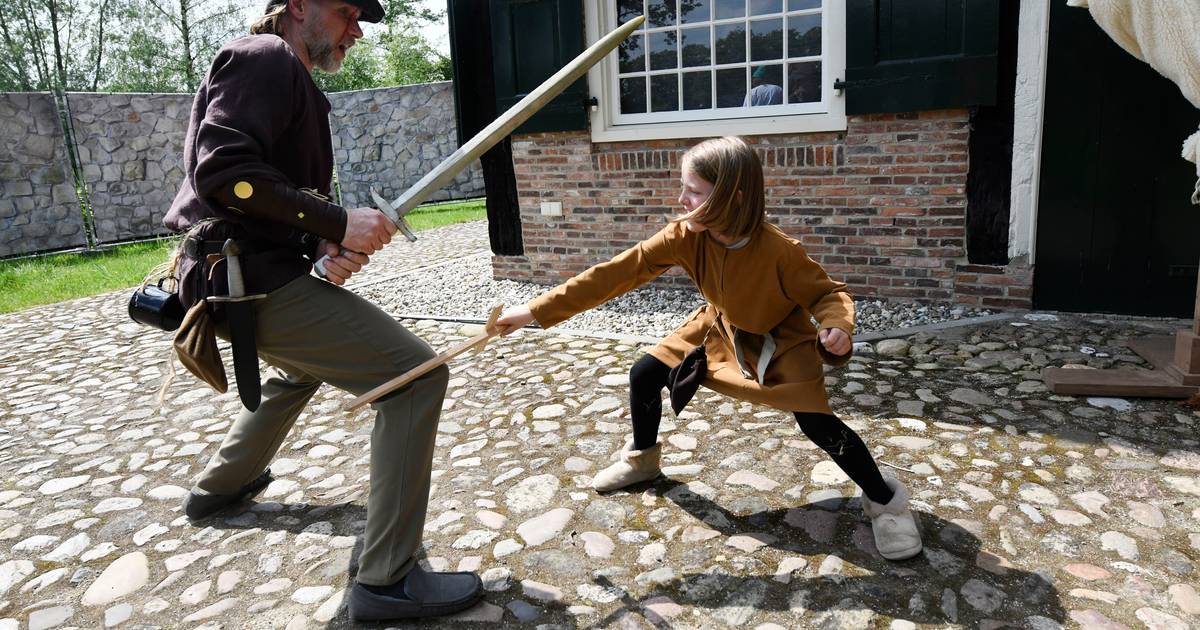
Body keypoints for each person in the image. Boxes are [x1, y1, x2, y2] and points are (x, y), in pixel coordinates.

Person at [161, 0, 483, 620]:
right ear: (298, 5)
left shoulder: (290, 74)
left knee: (304, 365)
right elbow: (224, 175)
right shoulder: (262, 56)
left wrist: (321, 245)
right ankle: (386, 582)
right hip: (242, 280)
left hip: (251, 273)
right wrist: (336, 220)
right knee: (415, 378)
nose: (356, 30)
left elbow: (267, 199)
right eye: (346, 12)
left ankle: (220, 487)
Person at [496, 136, 923, 561]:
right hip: (716, 329)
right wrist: (533, 311)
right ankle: (643, 460)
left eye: (694, 191)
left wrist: (836, 326)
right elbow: (614, 274)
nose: (681, 199)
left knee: (818, 425)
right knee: (645, 373)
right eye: (684, 187)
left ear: (733, 198)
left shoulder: (781, 251)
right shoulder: (684, 235)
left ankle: (886, 501)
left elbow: (829, 295)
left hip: (781, 342)